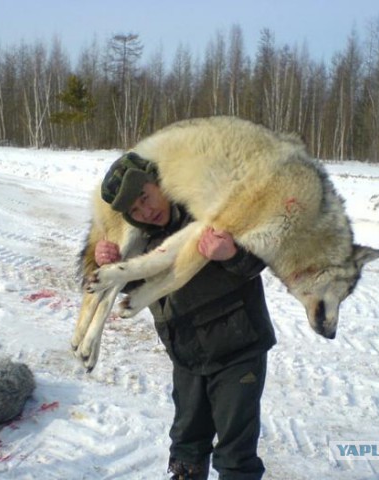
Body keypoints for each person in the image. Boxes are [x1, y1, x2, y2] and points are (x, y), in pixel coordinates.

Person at [97, 152, 276, 480]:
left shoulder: (210, 209)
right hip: (187, 356)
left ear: (159, 182)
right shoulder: (143, 239)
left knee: (235, 451)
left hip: (238, 350)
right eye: (135, 210)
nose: (146, 211)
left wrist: (231, 253)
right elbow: (135, 285)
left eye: (145, 197)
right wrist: (111, 263)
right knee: (186, 442)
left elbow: (260, 257)